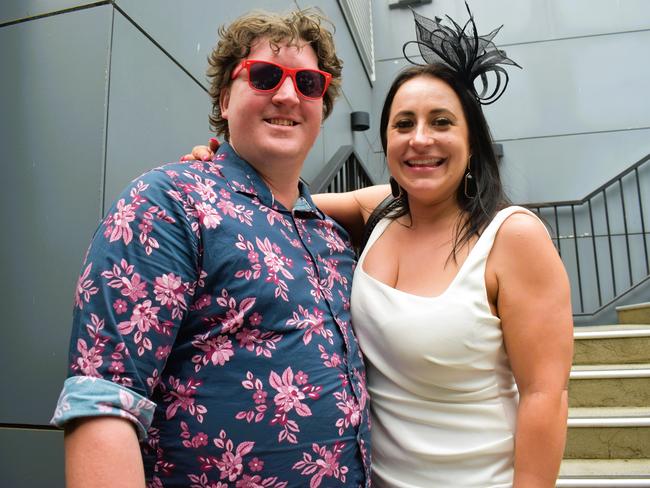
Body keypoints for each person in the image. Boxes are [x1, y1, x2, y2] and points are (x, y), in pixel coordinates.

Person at [188, 6, 574, 487]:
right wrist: (217, 167)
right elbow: (278, 200)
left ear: (472, 140)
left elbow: (545, 395)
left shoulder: (513, 237)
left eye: (441, 122)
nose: (421, 139)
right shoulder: (380, 211)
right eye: (403, 124)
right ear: (386, 141)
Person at [51, 9, 371, 488]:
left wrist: (288, 207)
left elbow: (416, 197)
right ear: (224, 98)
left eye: (308, 82)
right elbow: (103, 404)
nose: (287, 94)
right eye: (264, 76)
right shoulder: (169, 203)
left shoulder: (330, 236)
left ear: (322, 106)